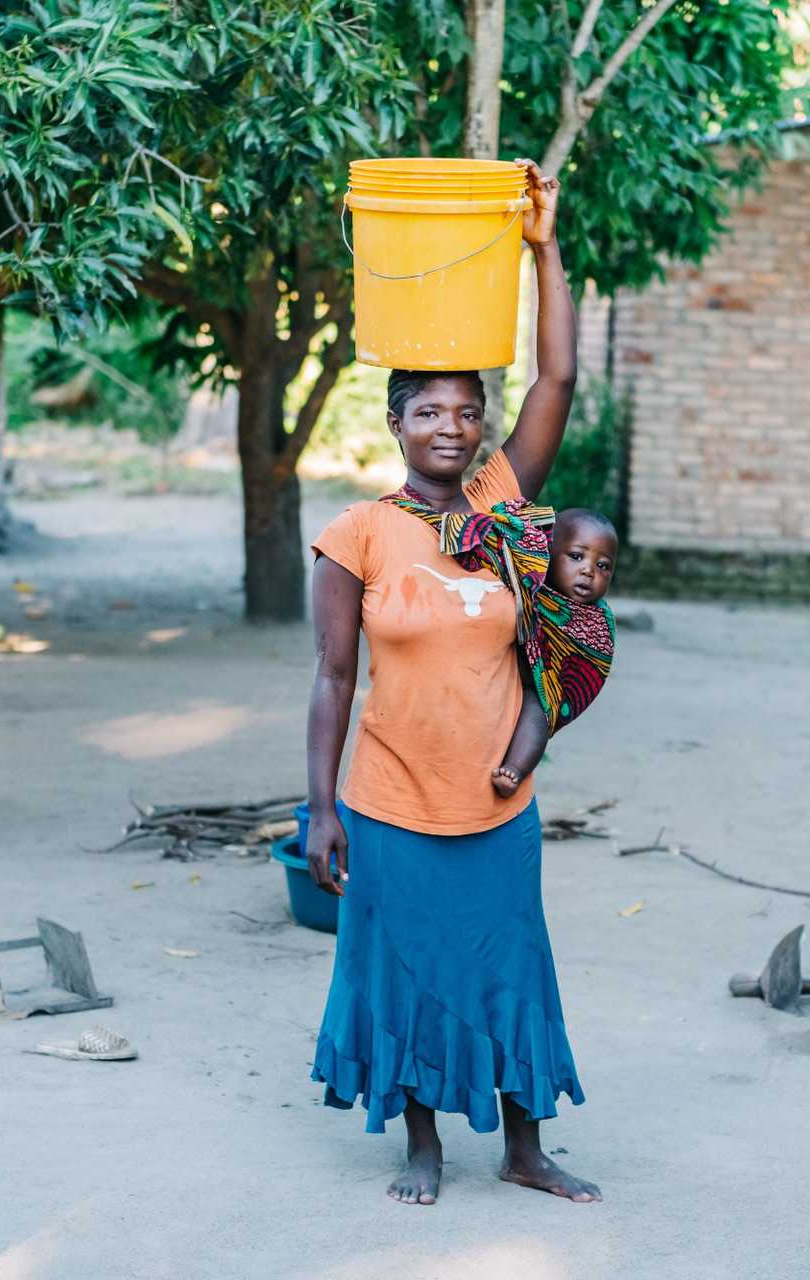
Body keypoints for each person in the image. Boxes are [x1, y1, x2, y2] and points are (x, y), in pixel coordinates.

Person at [304, 158, 600, 1207]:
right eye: (430, 409)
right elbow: (333, 677)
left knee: (510, 959)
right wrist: (320, 806)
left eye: (467, 410)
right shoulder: (358, 536)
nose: (452, 426)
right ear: (396, 422)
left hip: (496, 798)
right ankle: (422, 1145)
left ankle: (524, 1146)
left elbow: (558, 380)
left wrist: (541, 244)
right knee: (406, 969)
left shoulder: (502, 503)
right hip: (388, 802)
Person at [491, 507, 619, 798]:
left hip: (541, 683)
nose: (589, 571)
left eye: (603, 566)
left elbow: (587, 662)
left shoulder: (594, 621)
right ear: (548, 551)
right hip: (496, 674)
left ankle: (516, 768)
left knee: (539, 709)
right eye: (576, 556)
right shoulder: (525, 574)